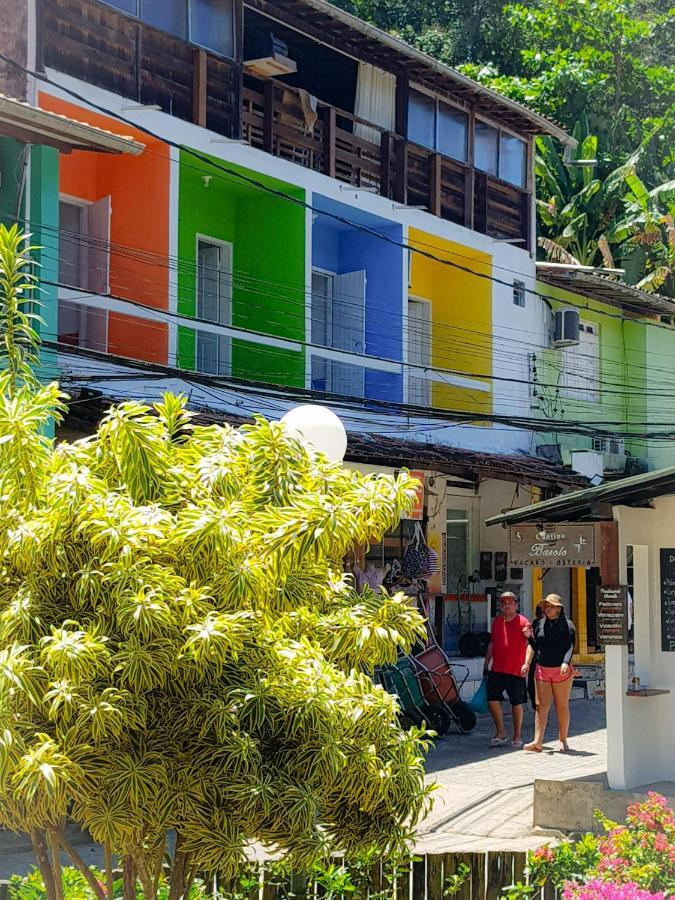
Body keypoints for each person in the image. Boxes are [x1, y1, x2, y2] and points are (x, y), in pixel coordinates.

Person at [524, 593, 576, 753]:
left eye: (551, 606)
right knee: (541, 706)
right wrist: (528, 638)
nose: (547, 609)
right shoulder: (539, 624)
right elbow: (537, 645)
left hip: (561, 670)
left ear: (559, 609)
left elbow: (570, 646)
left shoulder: (568, 625)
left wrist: (565, 662)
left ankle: (563, 740)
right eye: (546, 606)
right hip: (542, 669)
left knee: (561, 706)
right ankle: (538, 742)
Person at [483, 591, 531, 748]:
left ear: (516, 605)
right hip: (497, 668)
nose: (507, 605)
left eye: (510, 603)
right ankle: (501, 732)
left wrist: (526, 663)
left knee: (516, 702)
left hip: (515, 670)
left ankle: (517, 736)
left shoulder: (523, 622)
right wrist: (486, 663)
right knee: (492, 698)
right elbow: (492, 643)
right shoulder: (497, 621)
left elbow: (531, 644)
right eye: (504, 603)